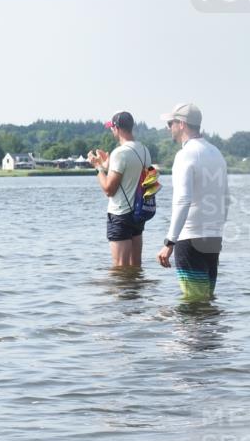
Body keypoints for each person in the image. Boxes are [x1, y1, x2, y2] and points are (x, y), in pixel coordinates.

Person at [155, 103, 229, 301]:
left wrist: (169, 242)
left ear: (181, 124)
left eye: (170, 123)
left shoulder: (185, 155)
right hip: (214, 238)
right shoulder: (216, 153)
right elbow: (226, 198)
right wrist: (217, 230)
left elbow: (183, 200)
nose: (168, 127)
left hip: (190, 239)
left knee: (193, 304)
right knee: (207, 301)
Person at [87, 111, 153, 267]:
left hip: (120, 215)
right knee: (136, 266)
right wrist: (106, 165)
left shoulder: (120, 153)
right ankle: (137, 292)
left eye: (111, 128)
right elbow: (138, 180)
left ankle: (120, 292)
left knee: (120, 269)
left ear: (116, 128)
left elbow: (109, 189)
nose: (111, 131)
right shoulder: (145, 150)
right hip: (138, 213)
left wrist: (98, 167)